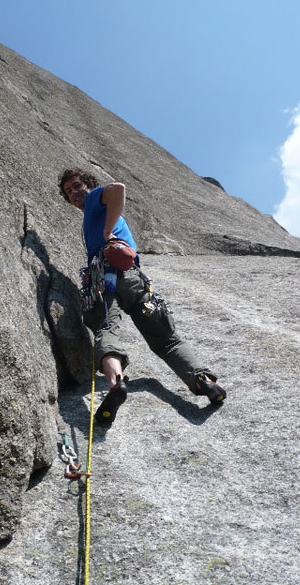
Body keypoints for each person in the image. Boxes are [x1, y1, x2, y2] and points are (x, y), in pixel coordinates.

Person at [58, 167, 226, 425]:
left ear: (89, 184)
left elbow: (117, 189)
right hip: (134, 279)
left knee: (105, 328)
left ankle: (116, 385)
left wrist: (106, 232)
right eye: (69, 191)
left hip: (104, 277)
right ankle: (204, 382)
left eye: (77, 185)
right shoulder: (95, 215)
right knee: (166, 340)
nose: (74, 193)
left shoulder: (94, 201)